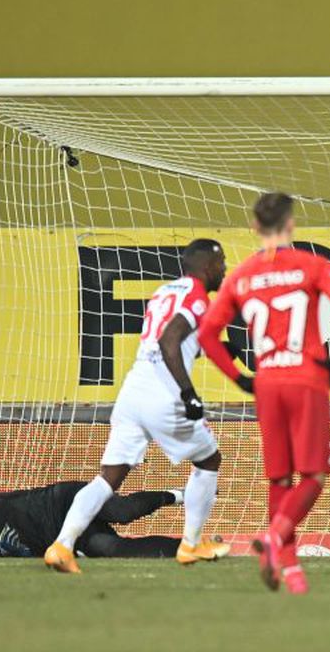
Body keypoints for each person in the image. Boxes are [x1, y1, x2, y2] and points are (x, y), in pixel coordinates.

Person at [197, 192, 330, 594]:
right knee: (314, 474)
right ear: (290, 224)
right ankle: (275, 538)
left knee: (279, 478)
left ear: (254, 227)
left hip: (268, 382)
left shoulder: (242, 274)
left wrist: (240, 378)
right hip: (306, 378)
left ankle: (291, 572)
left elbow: (207, 333)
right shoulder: (311, 265)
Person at [45, 239, 232, 573]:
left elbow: (169, 336)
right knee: (209, 459)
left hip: (132, 391)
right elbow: (169, 340)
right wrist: (188, 392)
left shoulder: (163, 292)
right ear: (206, 267)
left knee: (108, 478)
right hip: (163, 391)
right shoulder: (197, 297)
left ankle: (62, 545)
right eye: (221, 264)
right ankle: (190, 544)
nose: (225, 269)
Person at [0, 481, 183, 558]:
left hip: (60, 501)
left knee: (122, 512)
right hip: (63, 535)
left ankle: (180, 495)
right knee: (113, 549)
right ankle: (189, 548)